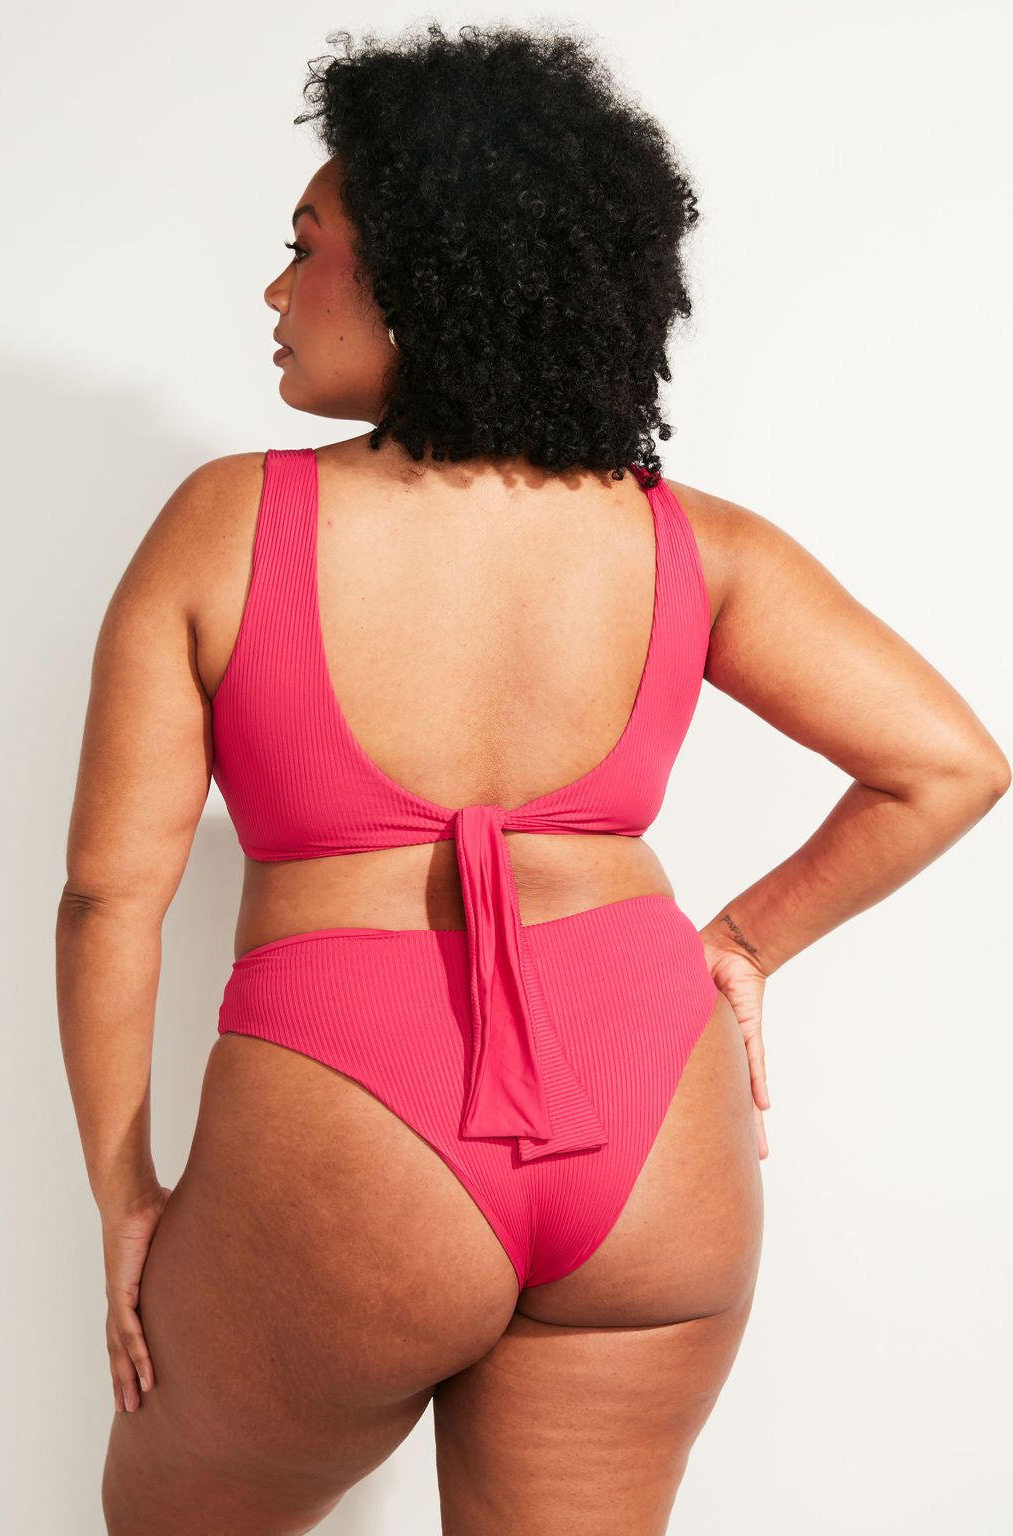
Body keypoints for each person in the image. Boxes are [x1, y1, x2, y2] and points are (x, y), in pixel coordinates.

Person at [55, 22, 1009, 1536]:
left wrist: (122, 1196)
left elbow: (112, 894)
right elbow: (950, 765)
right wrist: (741, 944)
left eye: (304, 247)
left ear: (424, 277)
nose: (275, 293)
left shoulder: (229, 522)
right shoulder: (694, 541)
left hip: (351, 1129)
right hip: (655, 1120)